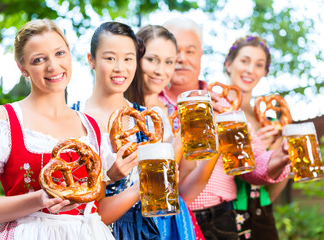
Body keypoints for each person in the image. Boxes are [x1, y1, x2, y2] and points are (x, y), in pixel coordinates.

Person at [0, 19, 114, 239]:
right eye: (39, 60)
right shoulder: (4, 121)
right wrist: (38, 200)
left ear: (70, 54)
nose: (53, 66)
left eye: (59, 53)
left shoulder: (93, 127)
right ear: (22, 68)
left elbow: (97, 206)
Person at [160, 17, 291, 240]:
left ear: (201, 55)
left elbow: (254, 165)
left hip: (222, 222)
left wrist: (278, 159)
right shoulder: (149, 107)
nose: (182, 58)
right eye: (174, 51)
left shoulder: (222, 104)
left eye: (190, 51)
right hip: (167, 221)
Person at [84, 21, 196, 240]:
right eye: (110, 58)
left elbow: (174, 182)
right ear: (91, 60)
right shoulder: (72, 116)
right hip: (90, 230)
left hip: (151, 231)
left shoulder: (152, 120)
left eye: (128, 59)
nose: (120, 68)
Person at [224, 35, 290, 240]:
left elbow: (279, 180)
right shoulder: (216, 112)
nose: (250, 70)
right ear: (229, 64)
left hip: (261, 213)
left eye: (259, 65)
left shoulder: (270, 122)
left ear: (265, 72)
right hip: (225, 213)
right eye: (244, 61)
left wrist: (280, 152)